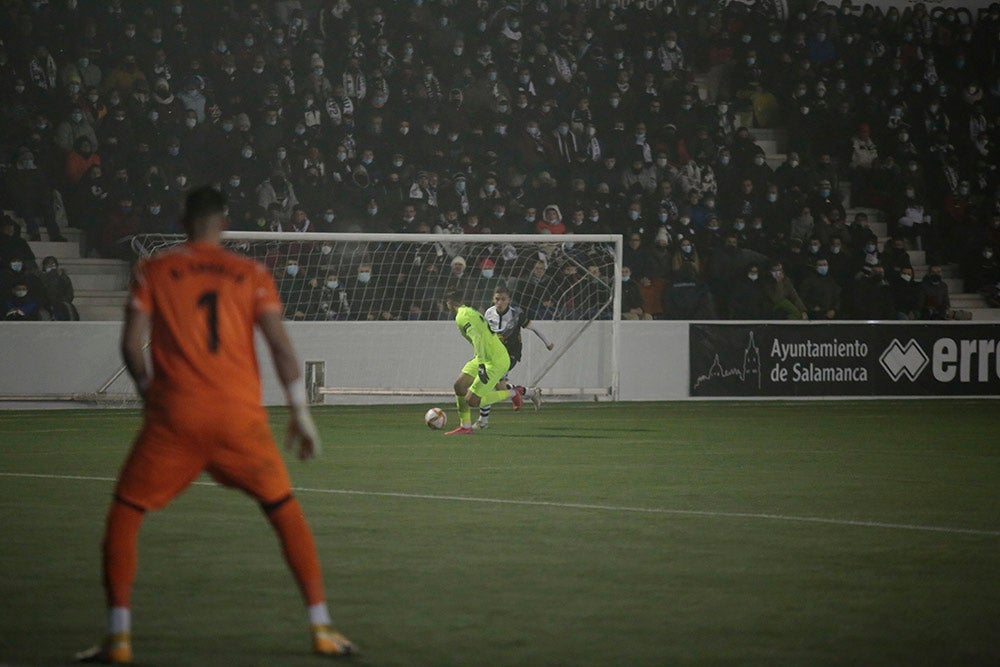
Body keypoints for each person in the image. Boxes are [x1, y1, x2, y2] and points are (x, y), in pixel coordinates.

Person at [76, 187, 354, 663]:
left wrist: (148, 395)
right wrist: (300, 416)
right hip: (238, 420)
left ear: (183, 221)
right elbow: (283, 350)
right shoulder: (251, 273)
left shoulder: (154, 270)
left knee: (126, 512)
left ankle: (119, 637)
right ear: (223, 221)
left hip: (175, 418)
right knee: (285, 512)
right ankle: (322, 627)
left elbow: (130, 343)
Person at [443, 289, 527, 436]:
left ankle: (514, 392)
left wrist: (481, 365)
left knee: (473, 401)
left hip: (495, 359)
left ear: (449, 303)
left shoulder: (462, 317)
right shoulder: (468, 311)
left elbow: (477, 338)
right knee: (459, 386)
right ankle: (465, 426)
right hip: (484, 355)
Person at [473, 286, 548, 431]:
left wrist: (548, 343)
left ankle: (483, 421)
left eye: (503, 299)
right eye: (497, 299)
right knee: (500, 387)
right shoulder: (489, 313)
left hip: (510, 354)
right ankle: (529, 392)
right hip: (494, 354)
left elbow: (534, 328)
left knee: (487, 382)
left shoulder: (516, 314)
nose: (499, 302)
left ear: (509, 300)